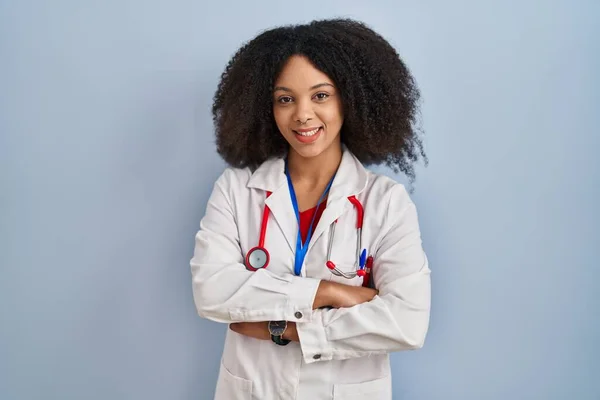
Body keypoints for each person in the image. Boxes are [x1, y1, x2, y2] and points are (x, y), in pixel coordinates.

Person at [190, 18, 431, 400]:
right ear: (265, 107)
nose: (302, 114)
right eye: (285, 99)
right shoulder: (236, 190)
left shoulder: (386, 202)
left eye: (321, 95)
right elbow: (212, 291)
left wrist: (285, 329)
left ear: (350, 99)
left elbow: (406, 322)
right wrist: (330, 291)